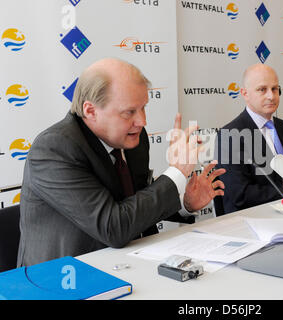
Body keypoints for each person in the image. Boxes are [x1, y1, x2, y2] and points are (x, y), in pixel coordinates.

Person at [17, 58, 225, 267]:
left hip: (129, 266)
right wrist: (177, 172)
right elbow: (113, 227)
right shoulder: (54, 148)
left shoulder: (135, 138)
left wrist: (185, 204)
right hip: (63, 280)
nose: (142, 121)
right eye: (129, 112)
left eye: (143, 107)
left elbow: (137, 208)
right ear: (90, 111)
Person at [215, 64, 283, 215]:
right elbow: (240, 194)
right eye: (262, 89)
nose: (271, 96)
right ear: (245, 93)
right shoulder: (230, 135)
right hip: (251, 220)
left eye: (275, 89)